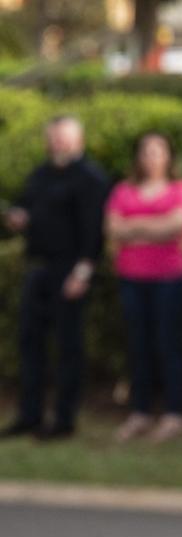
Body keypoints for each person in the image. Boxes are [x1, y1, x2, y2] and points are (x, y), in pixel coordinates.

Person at [0, 115, 108, 439]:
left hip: (70, 269)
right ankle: (30, 414)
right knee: (30, 343)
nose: (59, 143)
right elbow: (28, 207)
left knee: (67, 347)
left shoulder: (90, 177)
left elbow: (94, 231)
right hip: (39, 268)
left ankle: (63, 419)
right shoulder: (41, 174)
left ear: (79, 140)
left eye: (65, 138)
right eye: (55, 138)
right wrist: (19, 217)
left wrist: (82, 272)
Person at [105, 132, 182, 443]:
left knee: (167, 343)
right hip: (132, 277)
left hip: (169, 277)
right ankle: (140, 412)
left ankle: (174, 412)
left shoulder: (181, 189)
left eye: (158, 151)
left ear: (168, 156)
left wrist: (136, 228)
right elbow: (113, 229)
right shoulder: (123, 189)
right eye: (146, 152)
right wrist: (156, 227)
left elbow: (179, 224)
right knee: (137, 345)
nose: (151, 157)